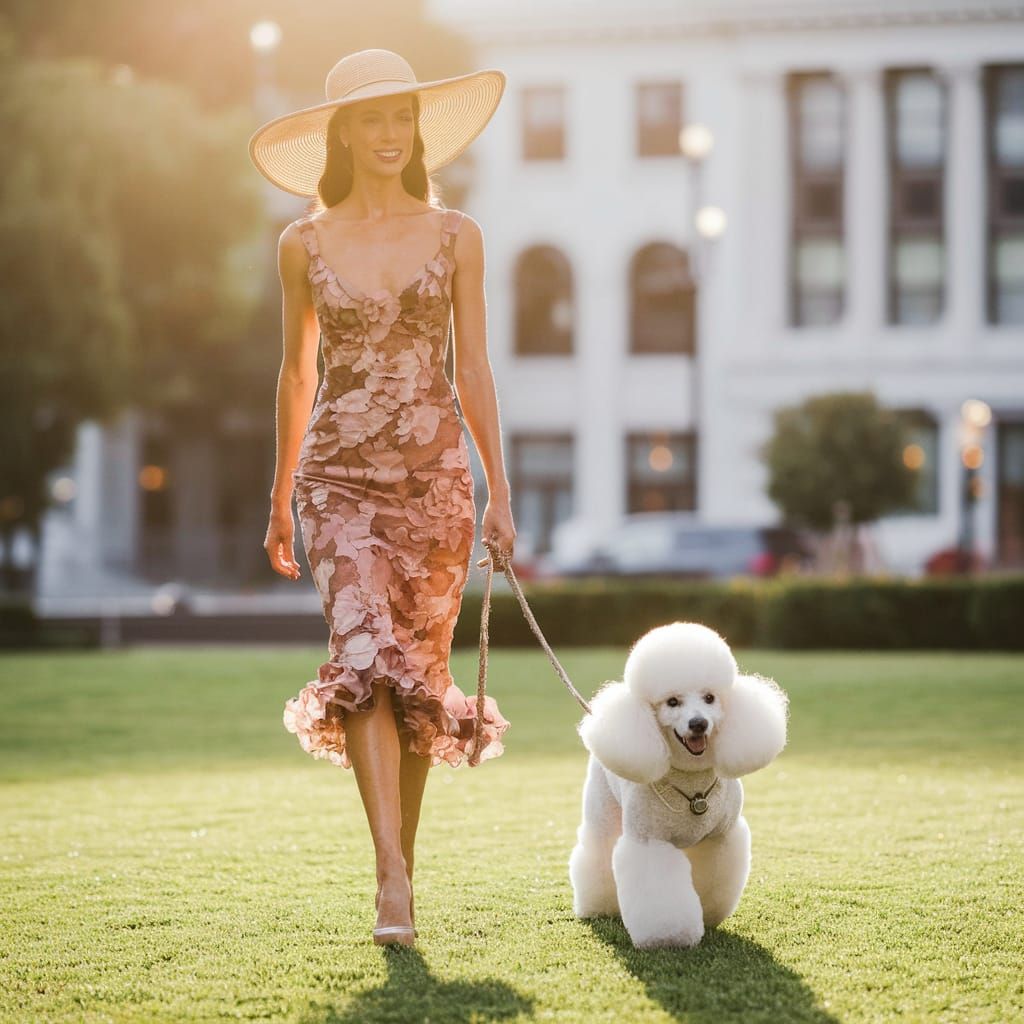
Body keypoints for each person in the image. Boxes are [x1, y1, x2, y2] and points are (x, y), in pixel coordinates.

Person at [249, 49, 515, 946]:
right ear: (343, 134)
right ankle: (391, 880)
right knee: (363, 651)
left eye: (402, 117)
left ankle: (401, 859)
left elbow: (473, 366)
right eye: (371, 120)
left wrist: (499, 493)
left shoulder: (458, 235)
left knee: (418, 686)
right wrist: (281, 496)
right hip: (337, 483)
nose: (390, 135)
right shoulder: (302, 244)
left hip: (435, 483)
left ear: (417, 128)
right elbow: (294, 374)